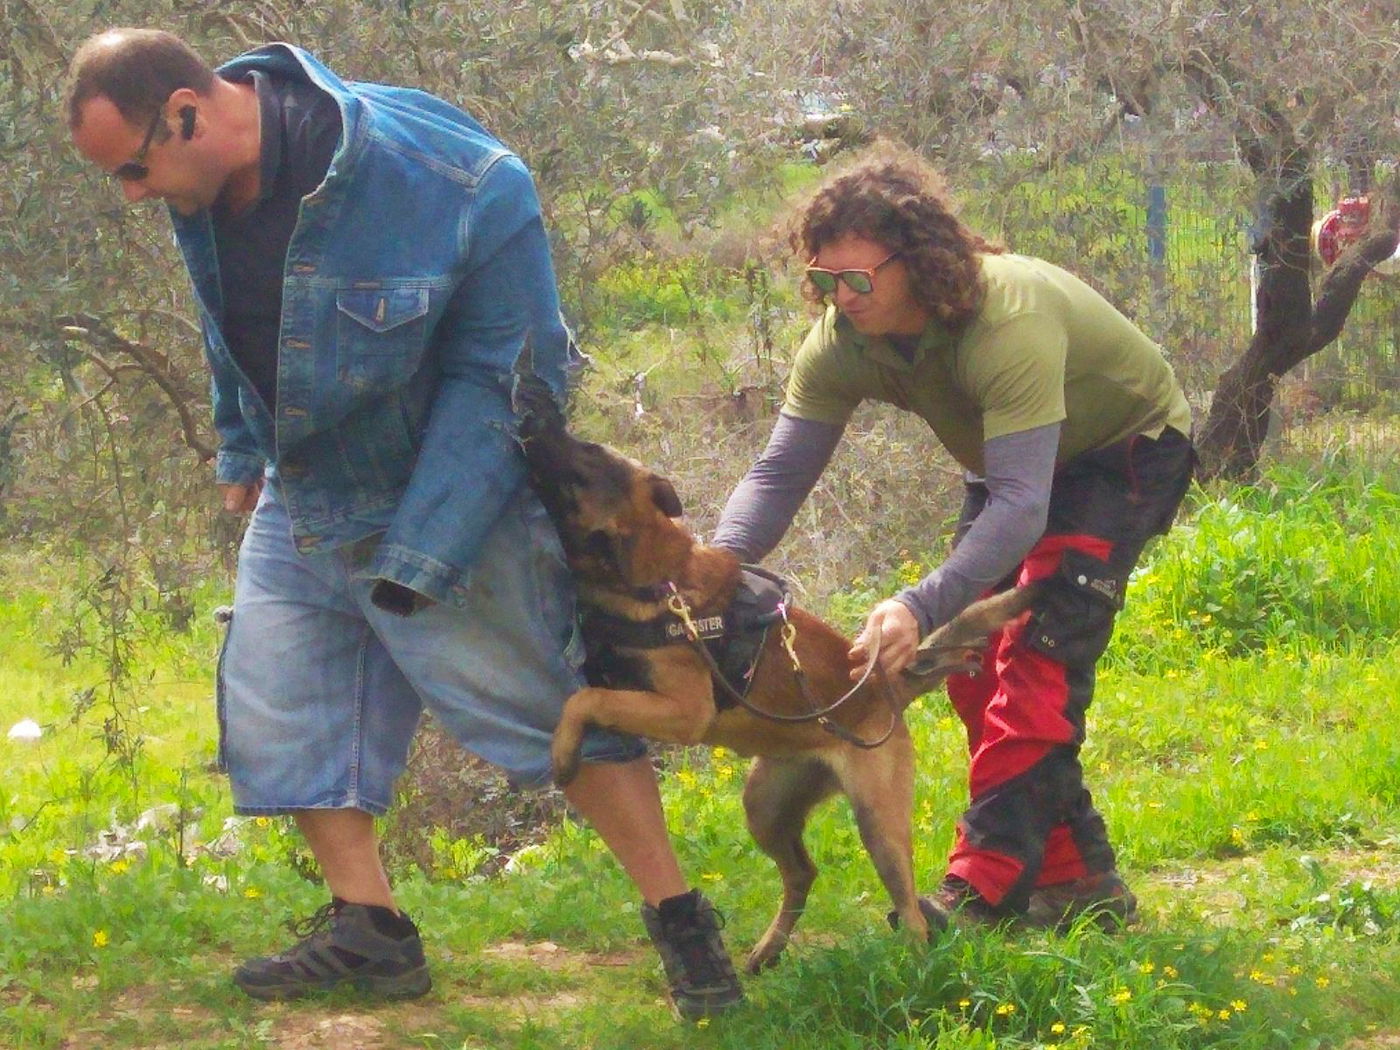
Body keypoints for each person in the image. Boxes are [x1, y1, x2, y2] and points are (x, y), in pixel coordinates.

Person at [65, 29, 743, 1018]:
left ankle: (685, 932)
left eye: (134, 169)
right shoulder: (199, 185)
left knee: (544, 707)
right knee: (283, 705)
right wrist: (241, 449)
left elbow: (511, 378)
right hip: (305, 491)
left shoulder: (451, 180)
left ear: (187, 112)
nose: (133, 195)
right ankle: (369, 932)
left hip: (441, 489)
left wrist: (426, 548)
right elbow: (229, 318)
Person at [713, 144, 1194, 931]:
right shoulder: (842, 339)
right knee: (966, 668)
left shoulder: (1005, 317)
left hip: (1122, 454)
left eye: (858, 280)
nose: (841, 298)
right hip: (1016, 466)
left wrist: (912, 602)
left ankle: (983, 894)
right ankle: (1077, 880)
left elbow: (1019, 507)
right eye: (824, 281)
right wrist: (714, 568)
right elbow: (778, 474)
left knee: (1033, 663)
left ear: (919, 262)